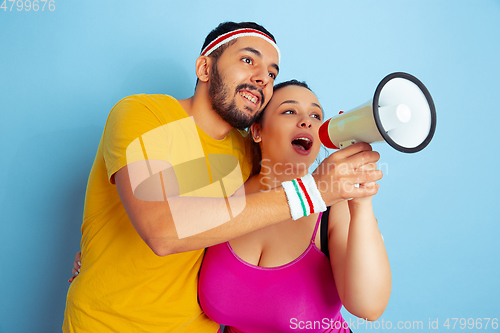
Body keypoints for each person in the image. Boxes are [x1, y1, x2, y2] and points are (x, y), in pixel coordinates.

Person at [64, 21, 382, 333]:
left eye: (272, 73)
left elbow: (286, 158)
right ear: (204, 68)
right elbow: (162, 229)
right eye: (248, 60)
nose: (262, 78)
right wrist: (313, 192)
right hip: (104, 324)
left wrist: (348, 158)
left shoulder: (245, 154)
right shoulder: (144, 115)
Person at [198, 80, 391, 333]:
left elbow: (369, 308)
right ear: (257, 132)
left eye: (315, 115)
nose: (306, 121)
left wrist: (362, 203)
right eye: (289, 111)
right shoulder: (225, 192)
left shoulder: (333, 210)